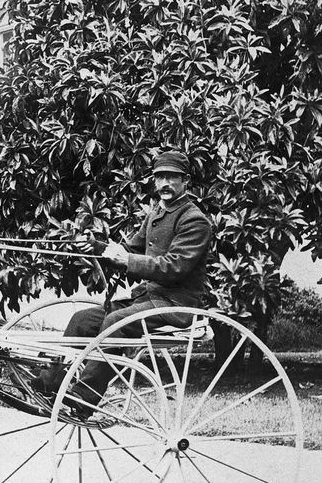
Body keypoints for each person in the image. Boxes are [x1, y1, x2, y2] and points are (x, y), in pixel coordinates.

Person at [48, 149, 216, 409]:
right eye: (160, 178)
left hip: (176, 305)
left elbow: (174, 267)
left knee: (117, 321)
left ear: (186, 182)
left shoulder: (194, 221)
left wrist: (128, 261)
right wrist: (96, 247)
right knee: (82, 320)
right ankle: (49, 383)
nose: (165, 184)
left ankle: (84, 398)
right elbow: (131, 251)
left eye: (172, 178)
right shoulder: (156, 215)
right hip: (149, 299)